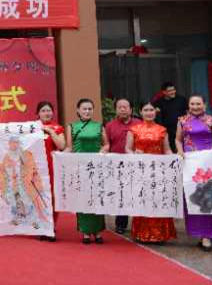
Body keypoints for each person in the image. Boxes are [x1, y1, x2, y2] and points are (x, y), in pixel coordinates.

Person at [126, 101, 176, 244]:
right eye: (146, 110)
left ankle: (160, 235)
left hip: (158, 171)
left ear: (155, 112)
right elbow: (127, 149)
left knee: (158, 200)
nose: (149, 113)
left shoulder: (162, 130)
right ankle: (142, 234)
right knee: (143, 200)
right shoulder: (133, 130)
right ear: (140, 112)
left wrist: (174, 159)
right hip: (140, 171)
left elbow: (167, 150)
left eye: (151, 110)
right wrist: (134, 155)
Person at [65, 98, 110, 244]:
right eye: (84, 108)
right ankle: (85, 231)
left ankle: (97, 231)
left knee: (97, 197)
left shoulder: (99, 126)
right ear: (78, 110)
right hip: (80, 168)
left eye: (90, 108)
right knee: (83, 197)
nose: (87, 111)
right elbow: (69, 148)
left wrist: (102, 152)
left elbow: (106, 144)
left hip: (96, 167)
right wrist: (59, 155)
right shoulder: (72, 126)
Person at [175, 94, 212, 252]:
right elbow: (178, 139)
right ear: (189, 105)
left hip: (208, 164)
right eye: (193, 104)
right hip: (190, 164)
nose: (195, 107)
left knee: (208, 197)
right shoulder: (182, 120)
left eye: (198, 104)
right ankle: (199, 233)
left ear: (204, 105)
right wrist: (180, 151)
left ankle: (207, 235)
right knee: (193, 196)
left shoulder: (211, 120)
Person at [104, 98, 140, 234]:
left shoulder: (139, 124)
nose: (123, 109)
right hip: (117, 166)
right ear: (116, 110)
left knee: (138, 193)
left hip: (136, 165)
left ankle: (140, 225)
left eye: (126, 107)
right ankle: (121, 224)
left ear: (131, 109)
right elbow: (106, 145)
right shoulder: (109, 126)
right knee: (121, 195)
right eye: (120, 107)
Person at [37, 101, 65, 242]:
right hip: (36, 168)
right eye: (43, 111)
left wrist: (50, 131)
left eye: (49, 110)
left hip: (52, 167)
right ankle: (42, 226)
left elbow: (62, 145)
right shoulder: (32, 128)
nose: (46, 113)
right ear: (38, 113)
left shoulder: (58, 128)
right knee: (38, 197)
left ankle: (51, 226)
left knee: (52, 197)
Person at [153, 82, 187, 153]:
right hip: (167, 132)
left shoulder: (182, 99)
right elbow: (155, 117)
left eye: (174, 90)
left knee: (182, 150)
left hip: (181, 129)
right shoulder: (158, 102)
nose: (173, 92)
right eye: (170, 91)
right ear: (164, 92)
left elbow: (188, 112)